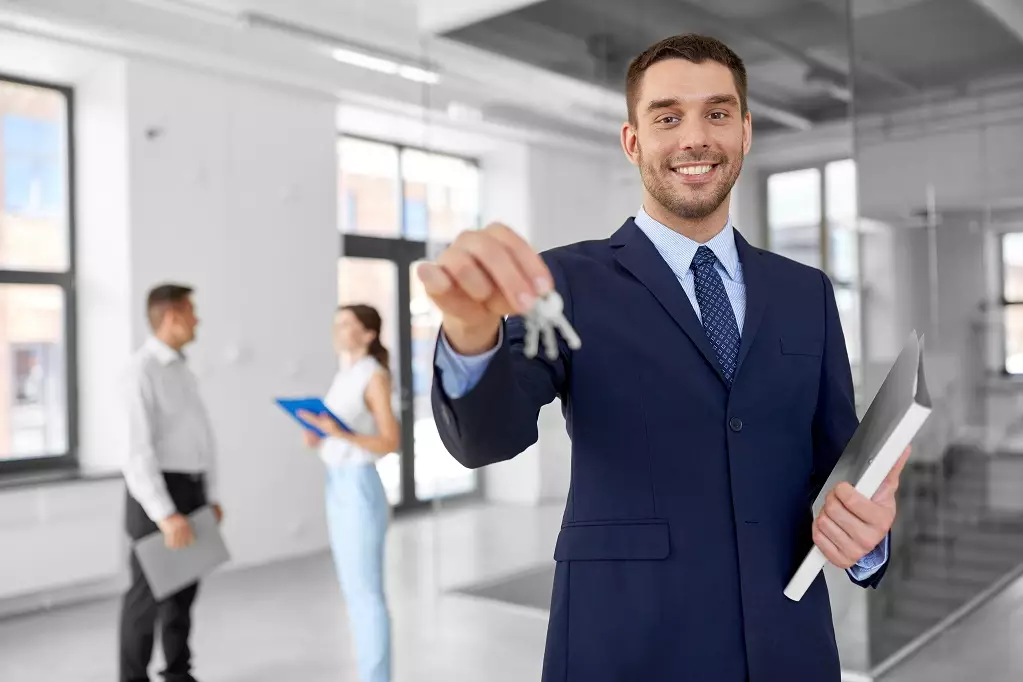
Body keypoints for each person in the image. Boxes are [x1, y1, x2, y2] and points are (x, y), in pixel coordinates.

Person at [418, 34, 911, 682]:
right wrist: (468, 327)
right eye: (667, 116)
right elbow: (486, 437)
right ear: (632, 141)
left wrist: (867, 541)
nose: (694, 138)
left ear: (744, 132)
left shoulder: (805, 292)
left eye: (716, 112)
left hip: (786, 646)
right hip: (625, 644)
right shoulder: (563, 280)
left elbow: (836, 466)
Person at [119, 283, 222, 682]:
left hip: (191, 490)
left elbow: (200, 438)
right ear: (172, 316)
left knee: (183, 593)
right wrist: (165, 514)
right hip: (158, 495)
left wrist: (208, 496)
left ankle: (178, 672)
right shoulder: (140, 370)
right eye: (191, 312)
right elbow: (136, 452)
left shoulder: (181, 369)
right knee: (146, 599)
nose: (197, 319)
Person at [297, 304, 399, 682]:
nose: (337, 329)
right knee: (354, 593)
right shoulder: (345, 374)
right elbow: (338, 433)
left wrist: (339, 433)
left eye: (347, 323)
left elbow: (391, 440)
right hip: (336, 481)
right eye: (336, 321)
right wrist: (318, 435)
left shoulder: (373, 376)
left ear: (368, 334)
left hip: (359, 486)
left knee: (367, 595)